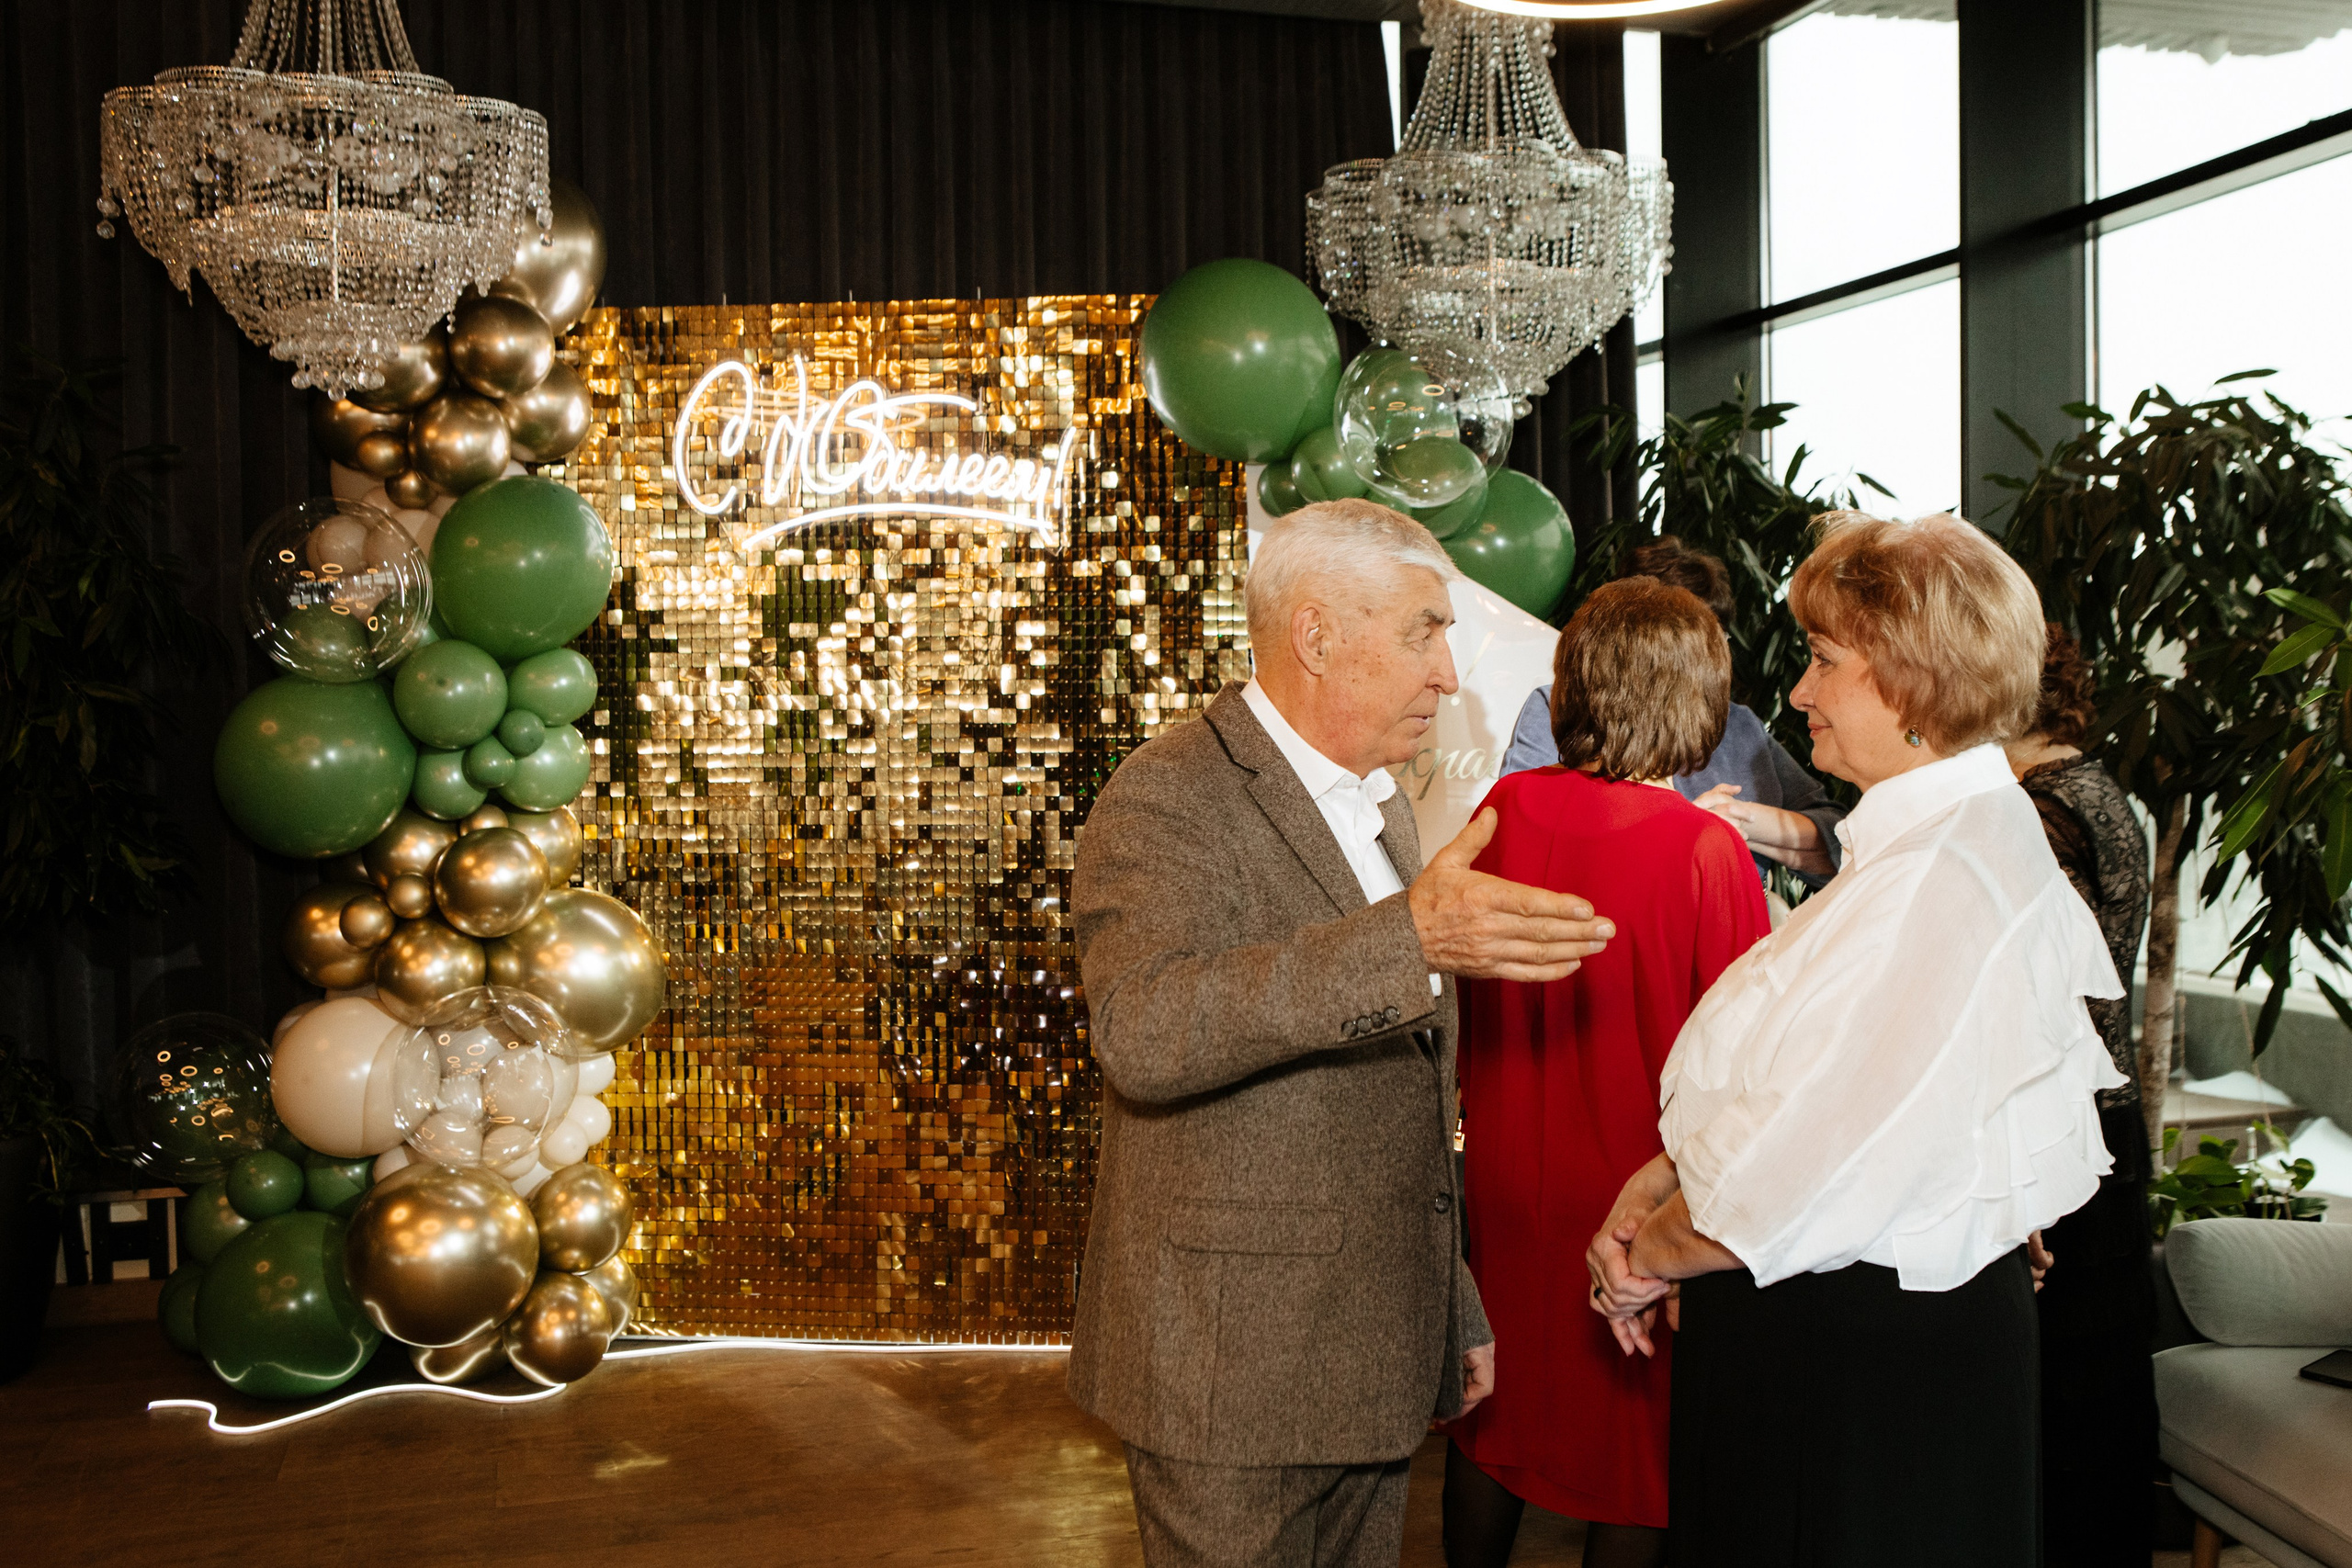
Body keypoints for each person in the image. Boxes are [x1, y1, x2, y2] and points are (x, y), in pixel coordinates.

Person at [1069, 498, 1617, 1568]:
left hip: (1367, 1356)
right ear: (1316, 635)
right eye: (1425, 630)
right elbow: (1145, 1028)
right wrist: (1404, 939)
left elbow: (1405, 1095)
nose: (1450, 675)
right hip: (1229, 1370)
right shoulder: (1166, 797)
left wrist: (1446, 1303)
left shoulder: (1378, 804)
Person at [1586, 512, 2129, 1568]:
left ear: (1914, 685)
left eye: (1826, 660)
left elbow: (1787, 1175)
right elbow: (1830, 1090)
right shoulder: (1942, 840)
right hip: (1854, 1348)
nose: (1797, 693)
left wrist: (1636, 1259)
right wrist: (1655, 1185)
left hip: (1850, 1368)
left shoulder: (1938, 875)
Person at [1444, 579, 1771, 1568]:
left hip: (1507, 1176)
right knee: (1635, 1448)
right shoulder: (1707, 852)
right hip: (1635, 1198)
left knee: (1495, 1415)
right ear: (1697, 701)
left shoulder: (1504, 808)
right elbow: (1747, 1062)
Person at [2007, 622, 2156, 1568]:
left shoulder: (2035, 808)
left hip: (2059, 1132)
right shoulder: (2100, 789)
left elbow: (2039, 992)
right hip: (2110, 1124)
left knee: (2059, 1404)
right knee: (2098, 1393)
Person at [1500, 537, 1845, 886]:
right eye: (1681, 644)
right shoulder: (1561, 706)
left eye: (1715, 639)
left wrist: (1745, 819)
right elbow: (1525, 836)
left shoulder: (1739, 725)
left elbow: (1844, 838)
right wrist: (1680, 830)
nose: (1701, 661)